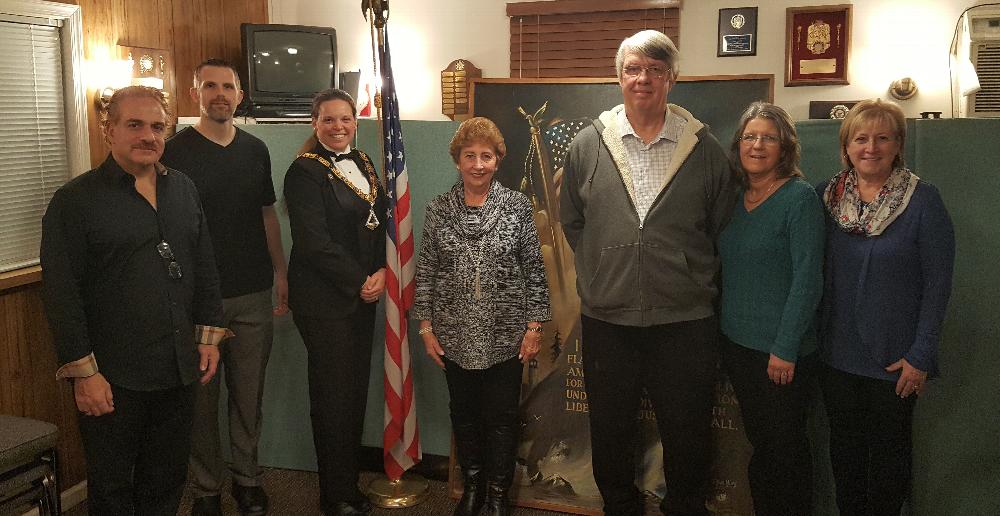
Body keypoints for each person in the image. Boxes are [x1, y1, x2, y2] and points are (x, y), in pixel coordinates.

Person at [560, 30, 739, 516]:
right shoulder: (587, 146)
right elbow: (573, 221)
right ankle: (619, 506)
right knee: (611, 427)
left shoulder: (704, 150)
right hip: (608, 320)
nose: (644, 78)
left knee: (688, 429)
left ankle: (683, 508)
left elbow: (720, 222)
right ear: (619, 78)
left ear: (671, 79)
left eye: (656, 70)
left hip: (684, 321)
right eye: (634, 69)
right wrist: (606, 265)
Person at [40, 86, 229, 515]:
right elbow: (61, 294)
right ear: (108, 131)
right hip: (113, 375)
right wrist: (84, 373)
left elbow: (204, 266)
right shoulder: (75, 201)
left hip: (178, 366)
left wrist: (208, 337)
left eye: (157, 127)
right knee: (110, 487)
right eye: (135, 125)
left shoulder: (183, 188)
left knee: (165, 481)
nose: (148, 135)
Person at [161, 58, 288, 516]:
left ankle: (247, 479)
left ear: (239, 95)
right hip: (198, 304)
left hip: (253, 292)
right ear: (195, 92)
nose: (220, 94)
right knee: (200, 404)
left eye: (228, 86)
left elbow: (266, 214)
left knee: (248, 397)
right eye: (210, 85)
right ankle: (206, 489)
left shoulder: (255, 149)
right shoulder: (173, 152)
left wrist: (280, 273)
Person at [817, 99, 955, 516]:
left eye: (882, 138)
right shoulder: (828, 197)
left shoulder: (923, 200)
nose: (871, 147)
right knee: (846, 457)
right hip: (836, 356)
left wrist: (921, 356)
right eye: (861, 138)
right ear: (846, 146)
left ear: (898, 144)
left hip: (896, 362)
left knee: (890, 463)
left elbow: (938, 285)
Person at [414, 117, 551, 516]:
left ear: (497, 160)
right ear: (457, 160)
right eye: (469, 155)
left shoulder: (517, 206)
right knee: (465, 414)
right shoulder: (439, 209)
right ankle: (472, 486)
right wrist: (425, 326)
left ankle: (496, 494)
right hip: (453, 334)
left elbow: (534, 270)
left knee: (502, 418)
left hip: (505, 335)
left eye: (486, 156)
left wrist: (534, 327)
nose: (478, 163)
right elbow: (426, 271)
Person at [283, 88, 386, 516]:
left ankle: (347, 487)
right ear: (314, 123)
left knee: (353, 394)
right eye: (329, 120)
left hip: (363, 296)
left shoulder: (363, 161)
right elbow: (313, 243)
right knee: (332, 398)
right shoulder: (303, 173)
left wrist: (382, 270)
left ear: (355, 122)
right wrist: (359, 279)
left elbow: (379, 223)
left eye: (345, 119)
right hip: (325, 303)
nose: (338, 127)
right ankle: (334, 496)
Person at [718, 102, 824, 515]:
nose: (757, 145)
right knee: (762, 448)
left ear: (785, 148)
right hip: (738, 347)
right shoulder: (732, 200)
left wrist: (785, 349)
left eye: (768, 138)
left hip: (782, 355)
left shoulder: (800, 199)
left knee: (787, 453)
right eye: (749, 136)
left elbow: (807, 280)